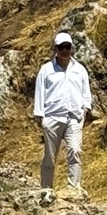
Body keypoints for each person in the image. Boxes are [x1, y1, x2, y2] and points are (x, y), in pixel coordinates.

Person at [33, 32, 92, 189]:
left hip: (74, 117)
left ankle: (74, 188)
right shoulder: (46, 70)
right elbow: (39, 92)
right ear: (55, 49)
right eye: (61, 47)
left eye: (67, 47)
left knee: (75, 151)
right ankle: (46, 189)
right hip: (53, 117)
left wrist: (86, 108)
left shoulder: (80, 70)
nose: (65, 51)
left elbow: (86, 91)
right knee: (50, 157)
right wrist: (40, 115)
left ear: (71, 48)